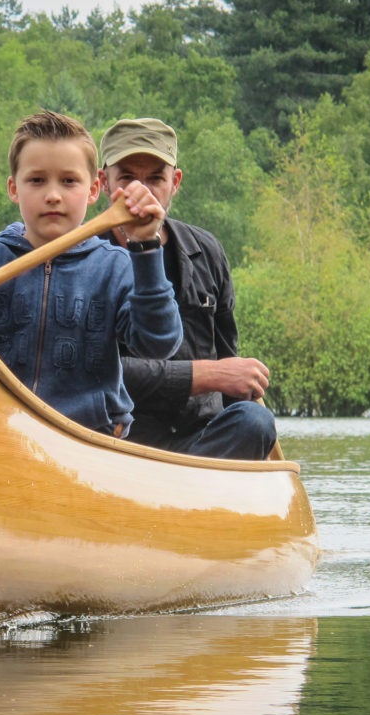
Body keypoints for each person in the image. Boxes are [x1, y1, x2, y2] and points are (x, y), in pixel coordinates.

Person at [0, 110, 182, 438]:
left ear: (93, 191)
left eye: (68, 181)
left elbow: (159, 344)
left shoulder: (116, 268)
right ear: (13, 189)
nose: (52, 195)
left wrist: (146, 246)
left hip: (90, 439)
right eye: (36, 180)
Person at [99, 117, 278, 460]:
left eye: (155, 179)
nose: (141, 192)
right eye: (127, 178)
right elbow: (94, 371)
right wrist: (207, 375)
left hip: (201, 441)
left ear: (175, 182)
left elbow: (229, 358)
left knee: (255, 421)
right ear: (103, 183)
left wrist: (236, 381)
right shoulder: (85, 257)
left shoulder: (207, 250)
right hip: (116, 441)